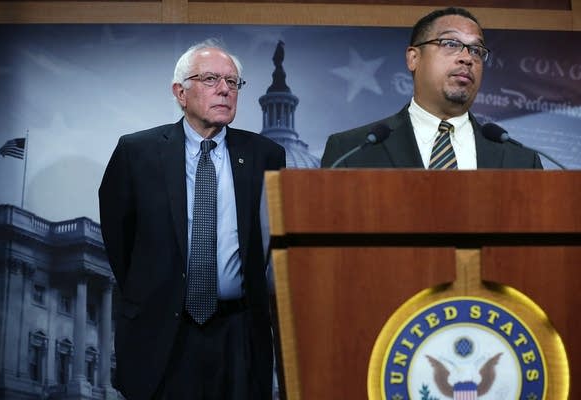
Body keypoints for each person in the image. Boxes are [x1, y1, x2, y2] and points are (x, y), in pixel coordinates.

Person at [99, 39, 286, 400]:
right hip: (162, 333)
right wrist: (157, 292)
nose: (224, 90)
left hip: (239, 334)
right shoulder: (136, 152)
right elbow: (118, 239)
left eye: (233, 83)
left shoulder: (266, 154)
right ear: (180, 93)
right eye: (211, 79)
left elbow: (271, 245)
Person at [321, 7, 542, 169]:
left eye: (476, 50)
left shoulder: (522, 160)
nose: (467, 58)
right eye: (451, 44)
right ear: (413, 58)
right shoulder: (350, 151)